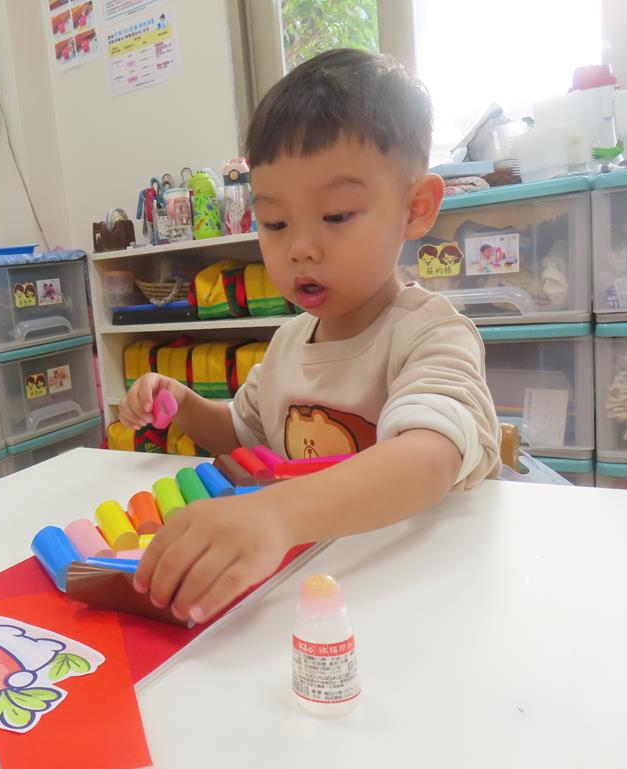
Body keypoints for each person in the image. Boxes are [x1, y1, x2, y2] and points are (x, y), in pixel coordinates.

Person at [120, 49, 500, 625]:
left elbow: (428, 458)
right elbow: (242, 432)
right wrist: (182, 404)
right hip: (316, 598)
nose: (299, 248)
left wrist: (277, 515)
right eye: (274, 223)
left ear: (415, 208)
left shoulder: (430, 334)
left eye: (337, 215)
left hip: (420, 600)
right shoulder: (289, 344)